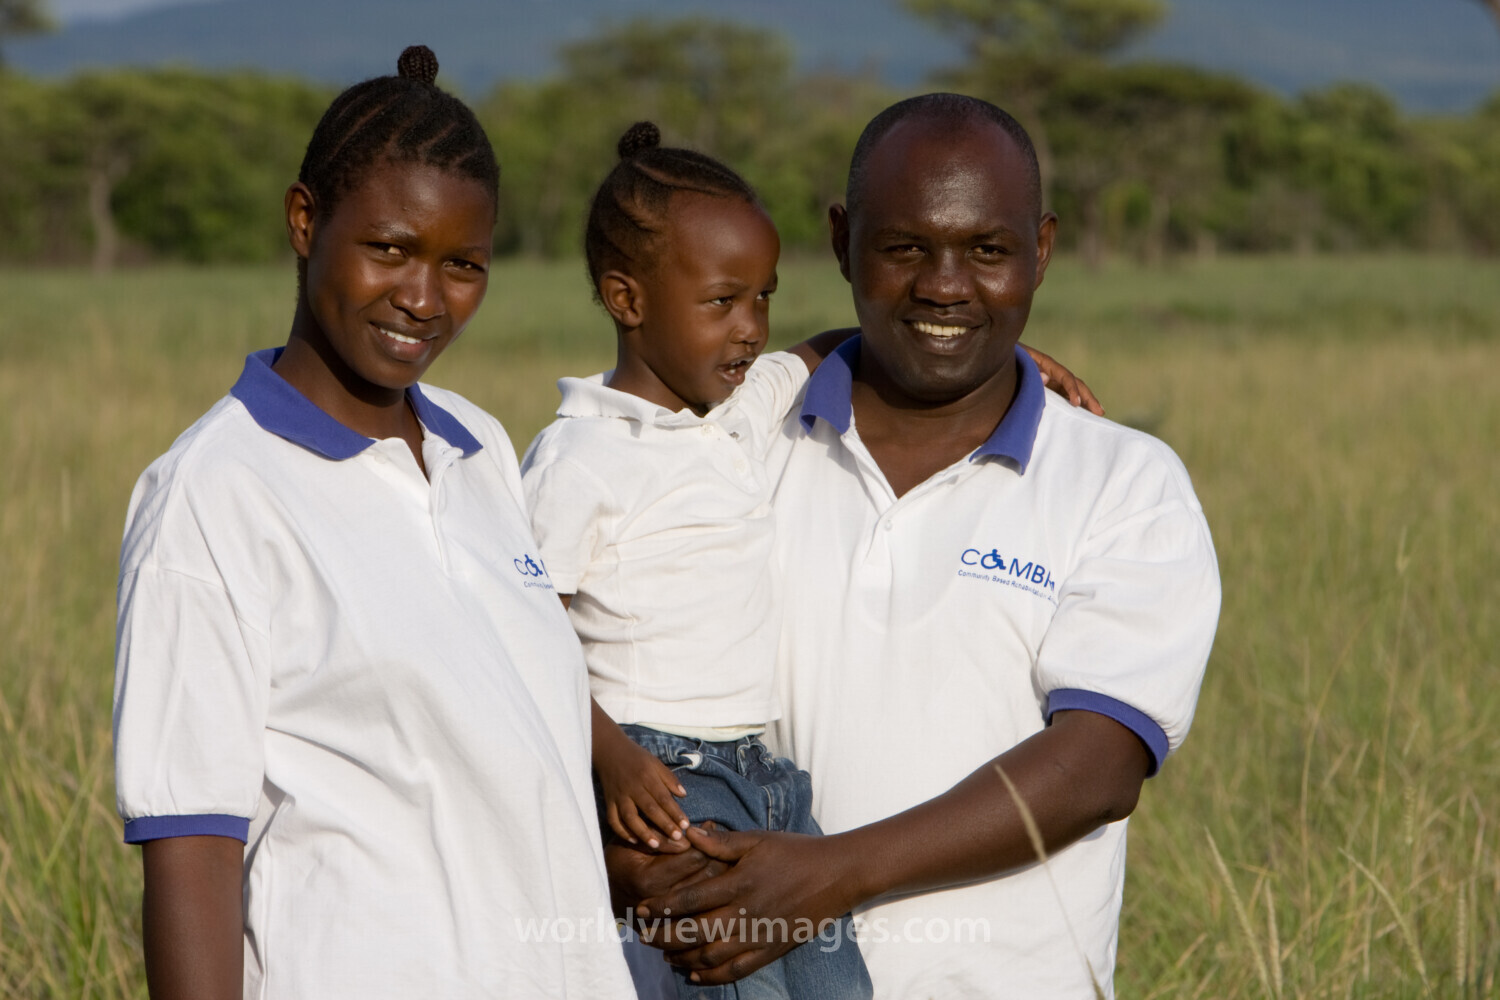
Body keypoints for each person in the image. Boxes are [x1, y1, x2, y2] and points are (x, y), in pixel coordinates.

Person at [611, 94, 1221, 999]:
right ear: (842, 242)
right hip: (729, 973)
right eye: (903, 249)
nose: (945, 285)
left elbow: (1096, 768)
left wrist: (831, 876)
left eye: (989, 252)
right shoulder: (725, 442)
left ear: (1042, 250)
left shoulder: (1122, 481)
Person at [520, 121, 1100, 999]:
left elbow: (827, 348)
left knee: (837, 986)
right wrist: (611, 758)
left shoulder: (736, 415)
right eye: (722, 302)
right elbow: (525, 635)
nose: (750, 329)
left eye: (763, 298)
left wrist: (995, 354)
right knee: (736, 978)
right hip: (662, 776)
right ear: (626, 299)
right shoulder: (578, 457)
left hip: (765, 776)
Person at [112, 47, 634, 999]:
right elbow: (192, 847)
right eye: (389, 249)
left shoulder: (477, 445)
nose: (424, 299)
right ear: (304, 220)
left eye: (462, 265)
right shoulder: (214, 492)